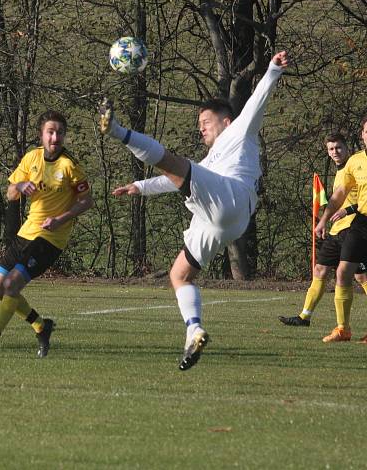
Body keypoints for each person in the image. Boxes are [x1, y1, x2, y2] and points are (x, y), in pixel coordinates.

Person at [103, 51, 289, 370]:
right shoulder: (211, 160)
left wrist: (272, 69)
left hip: (232, 196)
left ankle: (118, 131)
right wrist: (140, 187)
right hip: (224, 221)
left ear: (225, 121)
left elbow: (257, 103)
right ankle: (194, 329)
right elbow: (176, 179)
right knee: (179, 274)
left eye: (205, 122)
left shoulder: (238, 132)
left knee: (176, 164)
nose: (201, 128)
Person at [0, 111, 93, 358]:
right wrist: (20, 186)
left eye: (60, 132)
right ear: (41, 134)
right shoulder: (31, 158)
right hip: (27, 233)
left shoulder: (70, 166)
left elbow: (87, 201)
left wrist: (60, 219)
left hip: (50, 239)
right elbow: (11, 193)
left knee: (12, 285)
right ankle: (41, 326)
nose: (55, 137)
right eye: (50, 132)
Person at [279, 133, 367, 328]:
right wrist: (323, 221)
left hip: (355, 228)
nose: (335, 152)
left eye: (339, 148)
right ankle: (304, 317)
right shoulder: (346, 168)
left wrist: (347, 211)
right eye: (331, 149)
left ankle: (342, 327)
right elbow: (337, 198)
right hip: (337, 230)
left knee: (359, 276)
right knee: (320, 269)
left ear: (347, 148)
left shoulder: (354, 165)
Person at [314, 115, 367, 344]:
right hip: (363, 223)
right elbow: (338, 196)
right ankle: (343, 330)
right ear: (362, 135)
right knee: (343, 272)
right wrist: (324, 220)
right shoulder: (356, 161)